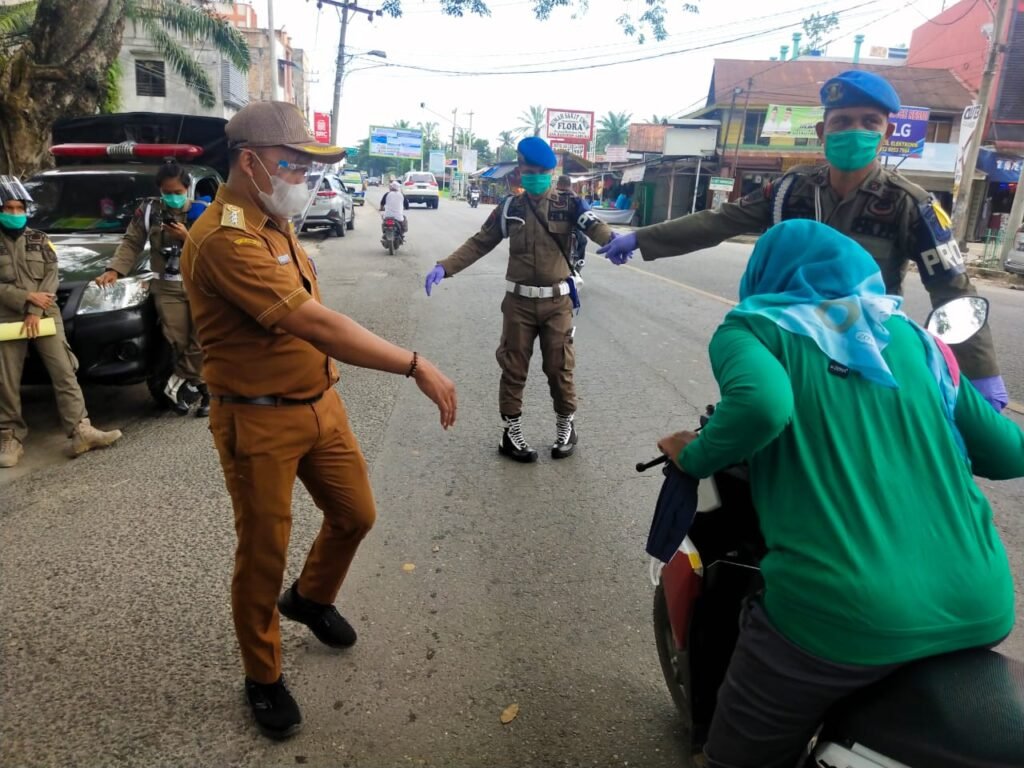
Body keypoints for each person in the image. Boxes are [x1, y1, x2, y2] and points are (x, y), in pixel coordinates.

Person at [657, 219, 1024, 768]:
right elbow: (1009, 453)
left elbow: (761, 406)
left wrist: (696, 453)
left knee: (734, 757)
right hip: (980, 601)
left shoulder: (755, 326)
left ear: (764, 274)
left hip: (841, 614)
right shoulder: (916, 339)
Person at [181, 101, 457, 740]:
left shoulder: (274, 220)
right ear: (249, 162)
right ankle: (263, 673)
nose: (302, 177)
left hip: (319, 406)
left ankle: (309, 598)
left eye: (308, 166)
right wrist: (412, 363)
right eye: (293, 164)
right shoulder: (225, 237)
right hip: (258, 421)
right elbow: (314, 322)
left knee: (356, 513)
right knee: (263, 550)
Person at [599, 70, 1008, 410]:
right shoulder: (789, 190)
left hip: (863, 360)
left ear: (888, 133)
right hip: (788, 349)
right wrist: (640, 238)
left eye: (870, 122)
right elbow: (720, 221)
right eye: (842, 122)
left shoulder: (910, 205)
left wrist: (981, 369)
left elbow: (953, 290)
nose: (856, 131)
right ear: (821, 131)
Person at [424, 137, 631, 462]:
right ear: (520, 170)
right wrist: (445, 267)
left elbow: (595, 227)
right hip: (518, 304)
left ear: (551, 171)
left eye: (542, 171)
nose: (535, 175)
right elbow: (480, 242)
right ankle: (511, 432)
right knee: (513, 368)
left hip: (557, 303)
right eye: (529, 170)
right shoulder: (510, 208)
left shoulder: (570, 203)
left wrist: (615, 242)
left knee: (559, 368)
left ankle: (566, 426)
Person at [0, 176, 122, 467]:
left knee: (65, 370)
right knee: (5, 380)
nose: (15, 214)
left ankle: (81, 429)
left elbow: (52, 276)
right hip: (7, 316)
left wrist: (36, 309)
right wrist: (26, 299)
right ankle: (9, 436)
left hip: (45, 314)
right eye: (9, 208)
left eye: (20, 208)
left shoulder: (40, 239)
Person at [97, 159, 210, 416]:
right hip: (167, 287)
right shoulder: (149, 211)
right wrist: (114, 269)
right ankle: (201, 389)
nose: (172, 197)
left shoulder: (204, 212)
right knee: (179, 340)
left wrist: (187, 238)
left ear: (187, 189)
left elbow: (218, 249)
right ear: (159, 190)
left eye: (178, 193)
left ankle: (183, 384)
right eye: (167, 193)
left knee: (201, 339)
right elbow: (132, 242)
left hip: (199, 285)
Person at [557, 174, 589, 272]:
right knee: (583, 241)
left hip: (555, 227)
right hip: (572, 227)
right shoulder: (575, 198)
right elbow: (586, 212)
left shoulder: (551, 195)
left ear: (558, 184)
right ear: (569, 185)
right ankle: (579, 265)